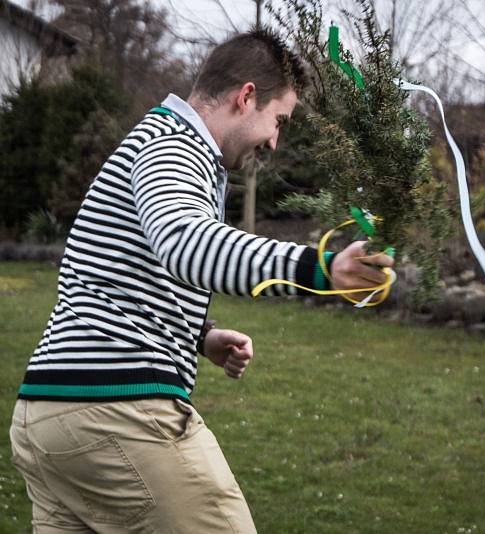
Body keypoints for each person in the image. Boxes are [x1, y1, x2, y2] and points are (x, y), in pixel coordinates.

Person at [9, 30, 393, 533]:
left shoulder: (159, 145)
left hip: (47, 416)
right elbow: (187, 243)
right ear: (246, 97)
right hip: (112, 411)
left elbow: (116, 279)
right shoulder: (172, 145)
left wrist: (199, 336)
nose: (275, 140)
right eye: (279, 121)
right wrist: (321, 269)